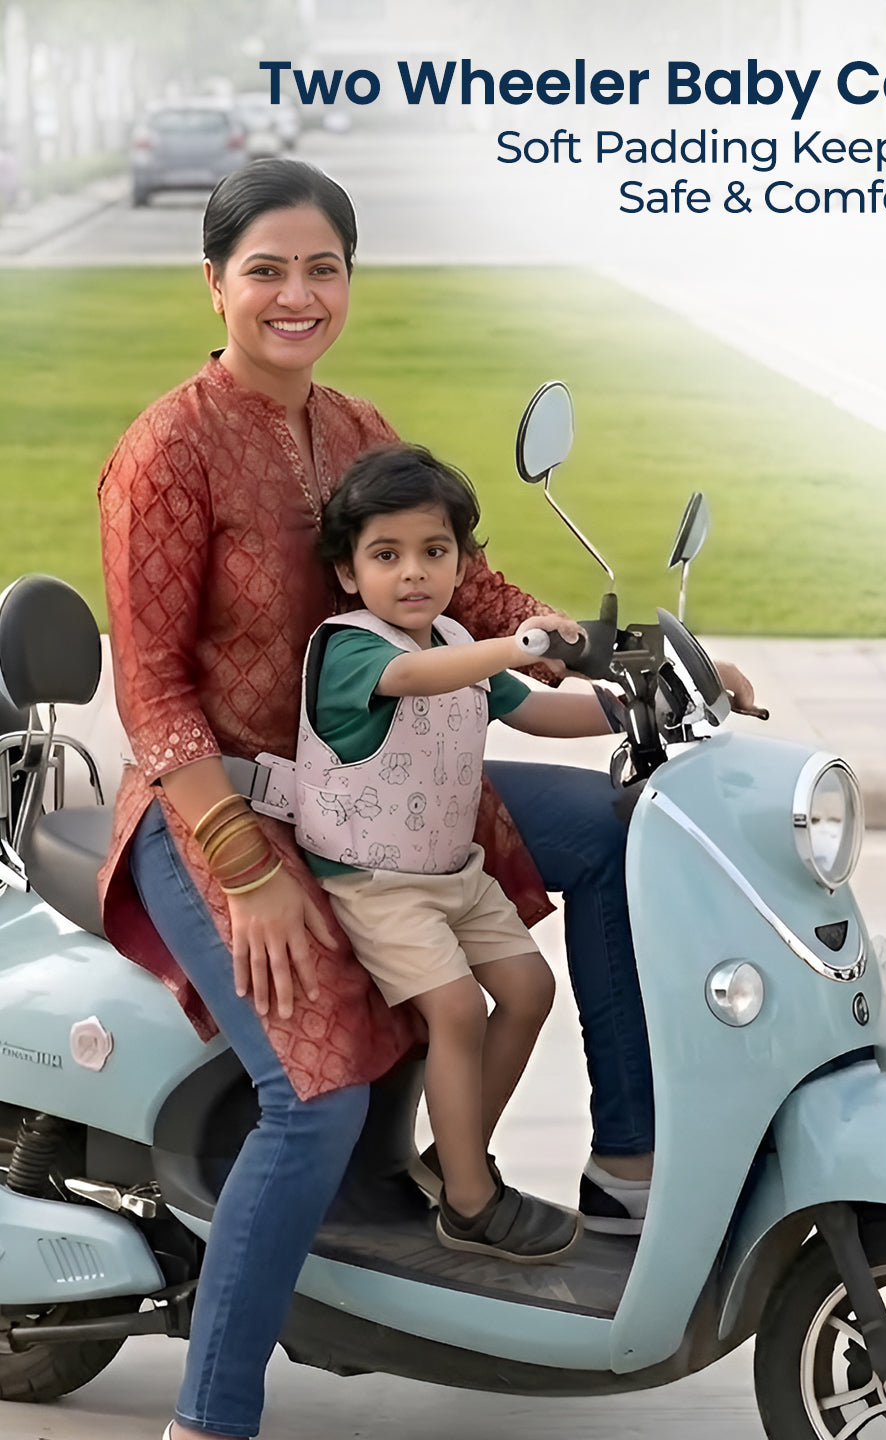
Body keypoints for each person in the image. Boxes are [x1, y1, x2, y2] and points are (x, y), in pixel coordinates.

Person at [97, 156, 755, 1440]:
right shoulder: (162, 454)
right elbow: (154, 690)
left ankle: (625, 1170)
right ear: (215, 284)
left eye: (322, 268)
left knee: (623, 835)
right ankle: (210, 1416)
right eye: (267, 271)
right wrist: (244, 867)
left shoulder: (351, 425)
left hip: (385, 787)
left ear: (349, 279)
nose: (297, 295)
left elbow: (478, 592)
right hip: (215, 803)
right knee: (316, 1089)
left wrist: (631, 658)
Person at [295, 442, 617, 1262]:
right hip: (376, 883)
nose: (413, 573)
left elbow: (540, 716)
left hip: (452, 873)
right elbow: (425, 677)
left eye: (434, 552)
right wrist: (519, 644)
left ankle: (453, 1159)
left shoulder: (455, 638)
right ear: (347, 572)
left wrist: (647, 702)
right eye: (386, 555)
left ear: (460, 561)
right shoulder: (352, 649)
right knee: (459, 1010)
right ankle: (472, 1202)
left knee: (530, 989)